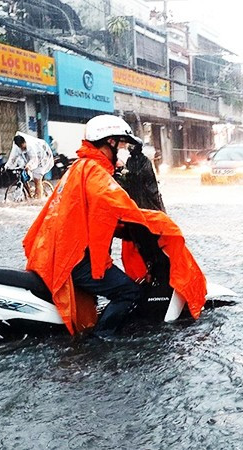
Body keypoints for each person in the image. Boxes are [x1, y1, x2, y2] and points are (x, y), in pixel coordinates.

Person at [23, 115, 207, 338]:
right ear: (109, 142)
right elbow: (120, 205)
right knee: (129, 292)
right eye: (119, 146)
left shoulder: (80, 167)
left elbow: (101, 214)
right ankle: (101, 340)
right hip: (77, 259)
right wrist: (158, 223)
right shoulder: (94, 172)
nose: (120, 157)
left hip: (63, 254)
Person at [120, 141, 165, 211]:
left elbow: (147, 176)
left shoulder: (145, 160)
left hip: (144, 193)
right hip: (133, 192)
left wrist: (132, 175)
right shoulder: (130, 160)